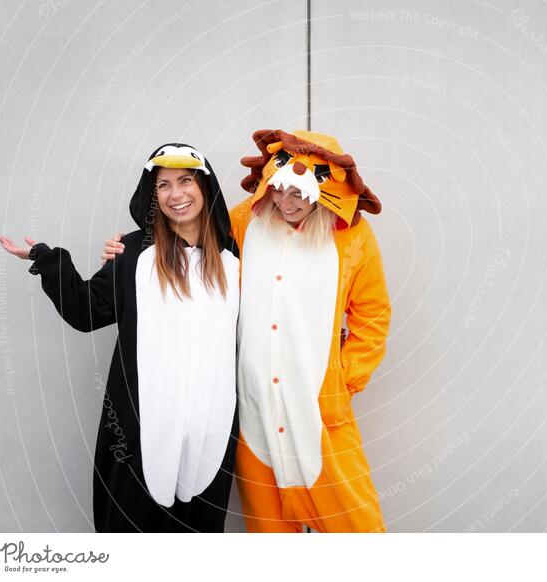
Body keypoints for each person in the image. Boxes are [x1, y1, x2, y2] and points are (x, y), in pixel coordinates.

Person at [104, 130, 391, 532]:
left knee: (355, 524)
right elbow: (191, 234)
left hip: (317, 408)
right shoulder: (243, 221)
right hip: (253, 409)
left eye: (300, 195)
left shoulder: (353, 238)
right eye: (280, 192)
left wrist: (346, 378)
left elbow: (373, 314)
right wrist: (130, 246)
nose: (288, 204)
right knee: (267, 528)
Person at [0, 144, 240, 532]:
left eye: (185, 181)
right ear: (152, 195)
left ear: (206, 187)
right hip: (139, 427)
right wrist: (47, 259)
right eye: (163, 186)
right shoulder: (135, 253)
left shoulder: (233, 256)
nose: (176, 194)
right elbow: (86, 311)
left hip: (210, 432)